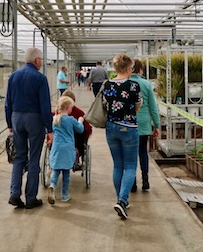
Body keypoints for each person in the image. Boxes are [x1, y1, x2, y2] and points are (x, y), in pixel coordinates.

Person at [5, 48, 53, 209]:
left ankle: (14, 194)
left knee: (19, 157)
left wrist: (10, 124)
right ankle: (31, 197)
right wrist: (49, 128)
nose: (42, 63)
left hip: (17, 118)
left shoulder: (13, 76)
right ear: (37, 60)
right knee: (34, 158)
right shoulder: (40, 78)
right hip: (34, 119)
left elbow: (8, 103)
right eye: (41, 60)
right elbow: (45, 106)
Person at [101, 53, 142, 220]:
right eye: (131, 68)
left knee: (118, 165)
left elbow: (104, 105)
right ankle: (123, 201)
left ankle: (120, 199)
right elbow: (138, 105)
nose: (132, 70)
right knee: (131, 166)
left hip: (110, 127)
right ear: (126, 68)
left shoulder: (107, 84)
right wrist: (129, 115)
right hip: (129, 128)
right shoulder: (133, 86)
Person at [129, 59, 160, 192]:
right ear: (141, 70)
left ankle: (133, 182)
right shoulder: (147, 84)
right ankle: (146, 180)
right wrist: (157, 125)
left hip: (130, 123)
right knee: (143, 152)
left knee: (131, 154)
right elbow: (153, 107)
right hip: (144, 123)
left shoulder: (127, 83)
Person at [48, 96, 84, 204]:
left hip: (56, 147)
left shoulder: (55, 119)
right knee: (66, 173)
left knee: (56, 170)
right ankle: (64, 195)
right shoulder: (70, 120)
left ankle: (52, 185)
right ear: (68, 108)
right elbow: (80, 129)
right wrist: (80, 121)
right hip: (67, 148)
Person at [60, 89, 93, 170]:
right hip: (75, 143)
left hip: (58, 143)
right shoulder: (79, 113)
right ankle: (76, 156)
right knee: (82, 132)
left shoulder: (56, 113)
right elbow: (87, 129)